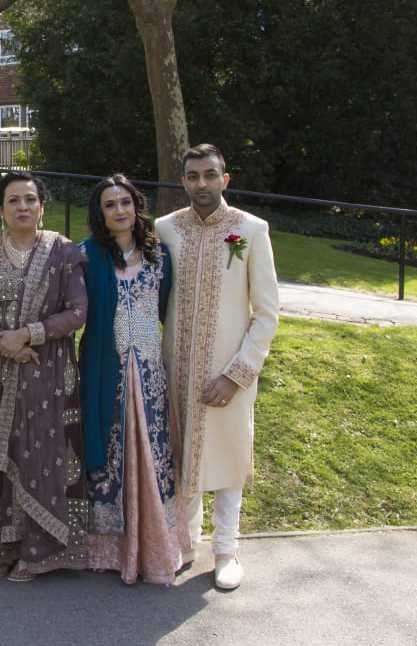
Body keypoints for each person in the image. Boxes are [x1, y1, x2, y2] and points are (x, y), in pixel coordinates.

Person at [0, 172, 90, 581]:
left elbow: (78, 310)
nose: (23, 207)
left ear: (42, 207)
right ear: (0, 211)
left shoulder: (63, 251)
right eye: (14, 200)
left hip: (46, 371)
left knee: (43, 457)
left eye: (30, 199)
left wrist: (29, 334)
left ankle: (38, 553)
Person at [155, 144, 279, 590]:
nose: (202, 184)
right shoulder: (165, 229)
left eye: (210, 175)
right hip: (175, 369)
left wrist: (237, 373)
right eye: (193, 176)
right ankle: (184, 545)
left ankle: (227, 550)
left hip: (229, 372)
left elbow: (266, 312)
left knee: (227, 460)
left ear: (225, 179)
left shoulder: (250, 229)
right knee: (181, 456)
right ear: (183, 181)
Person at [79, 174, 189, 585]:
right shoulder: (87, 256)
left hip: (149, 371)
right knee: (110, 452)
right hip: (106, 369)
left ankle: (157, 546)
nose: (120, 210)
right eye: (110, 205)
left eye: (125, 202)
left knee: (153, 453)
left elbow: (161, 305)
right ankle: (112, 550)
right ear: (100, 213)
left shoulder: (159, 255)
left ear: (136, 205)